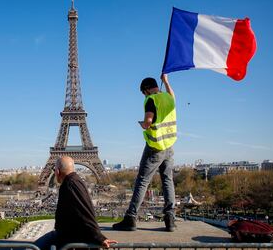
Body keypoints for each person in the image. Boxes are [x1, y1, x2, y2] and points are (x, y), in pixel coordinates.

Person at [112, 74, 177, 232]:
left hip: (155, 147)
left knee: (142, 181)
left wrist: (142, 124)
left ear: (146, 90)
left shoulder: (151, 100)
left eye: (143, 93)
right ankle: (170, 220)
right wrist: (166, 82)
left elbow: (148, 121)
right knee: (167, 180)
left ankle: (131, 218)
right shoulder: (168, 98)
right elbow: (172, 95)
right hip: (169, 146)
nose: (144, 96)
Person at [35, 156, 117, 250]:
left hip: (70, 237)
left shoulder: (71, 184)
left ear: (57, 171)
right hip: (66, 235)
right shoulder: (73, 181)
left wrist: (98, 237)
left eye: (54, 170)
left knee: (32, 248)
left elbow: (85, 210)